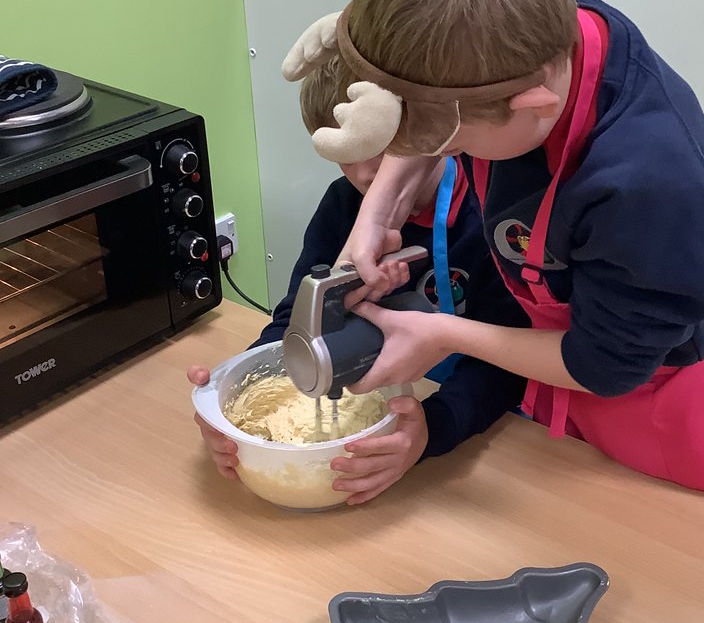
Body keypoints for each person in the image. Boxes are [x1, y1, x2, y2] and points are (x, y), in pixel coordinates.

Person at [294, 0, 704, 504]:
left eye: (445, 134)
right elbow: (436, 105)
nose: (430, 146)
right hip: (546, 346)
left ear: (531, 104)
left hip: (651, 385)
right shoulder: (523, 22)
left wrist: (444, 336)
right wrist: (379, 211)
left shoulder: (653, 191)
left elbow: (602, 366)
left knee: (660, 555)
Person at [189, 58, 526, 505]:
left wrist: (433, 429)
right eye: (345, 159)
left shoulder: (492, 214)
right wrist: (235, 391)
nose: (365, 176)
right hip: (395, 401)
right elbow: (297, 317)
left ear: (428, 132)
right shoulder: (343, 207)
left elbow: (508, 359)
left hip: (491, 423)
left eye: (382, 151)